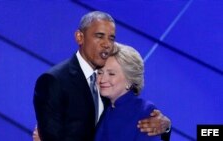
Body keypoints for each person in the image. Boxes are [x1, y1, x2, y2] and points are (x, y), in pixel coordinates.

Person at [33, 11, 171, 141]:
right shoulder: (54, 81)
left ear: (130, 80)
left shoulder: (137, 108)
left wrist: (166, 126)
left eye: (111, 38)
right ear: (80, 37)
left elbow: (149, 128)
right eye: (99, 36)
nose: (106, 44)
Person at [95, 42, 161, 141]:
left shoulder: (144, 111)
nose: (102, 79)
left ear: (130, 81)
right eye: (100, 72)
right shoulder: (101, 107)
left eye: (111, 74)